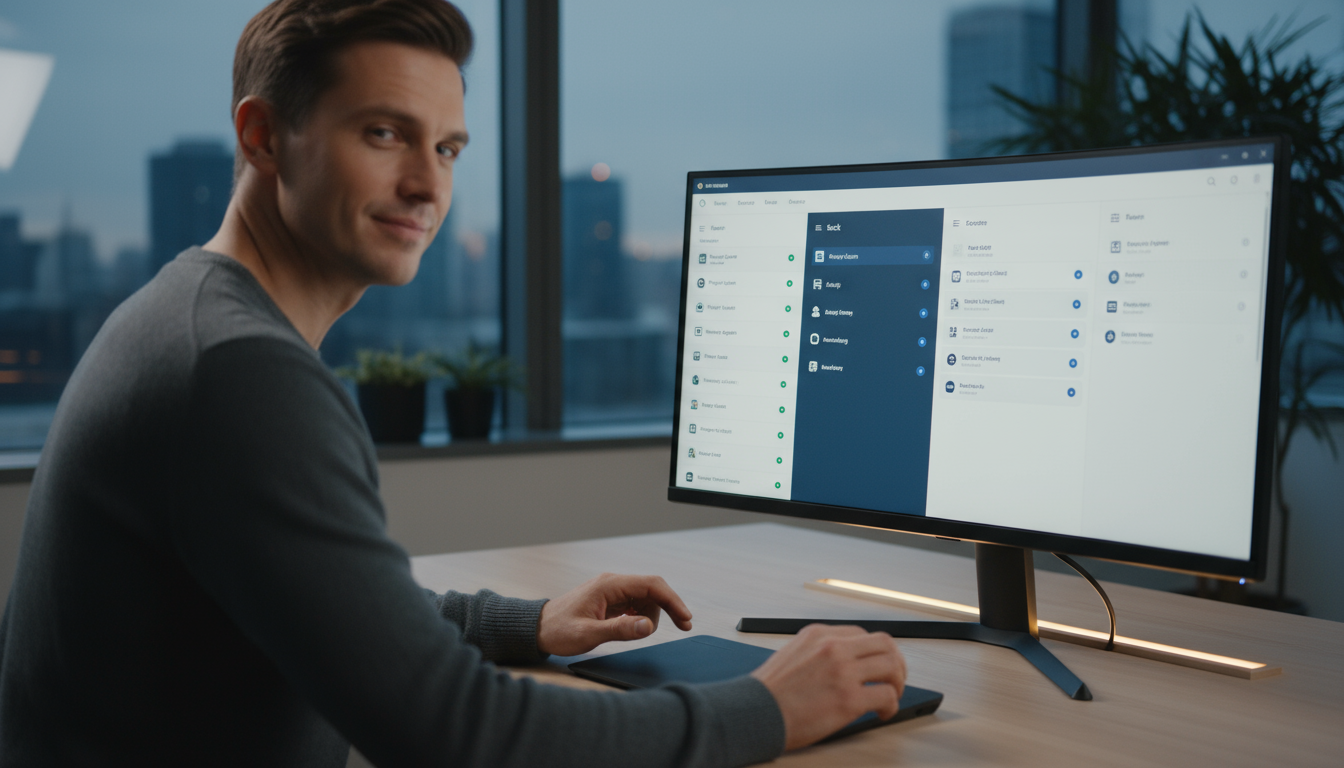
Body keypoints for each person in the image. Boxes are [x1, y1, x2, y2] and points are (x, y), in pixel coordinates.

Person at [0, 1, 907, 765]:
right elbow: (455, 733)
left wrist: (529, 622)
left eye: (449, 149)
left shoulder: (192, 316)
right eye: (385, 133)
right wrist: (772, 707)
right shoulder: (237, 371)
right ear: (263, 135)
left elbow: (329, 602)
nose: (426, 183)